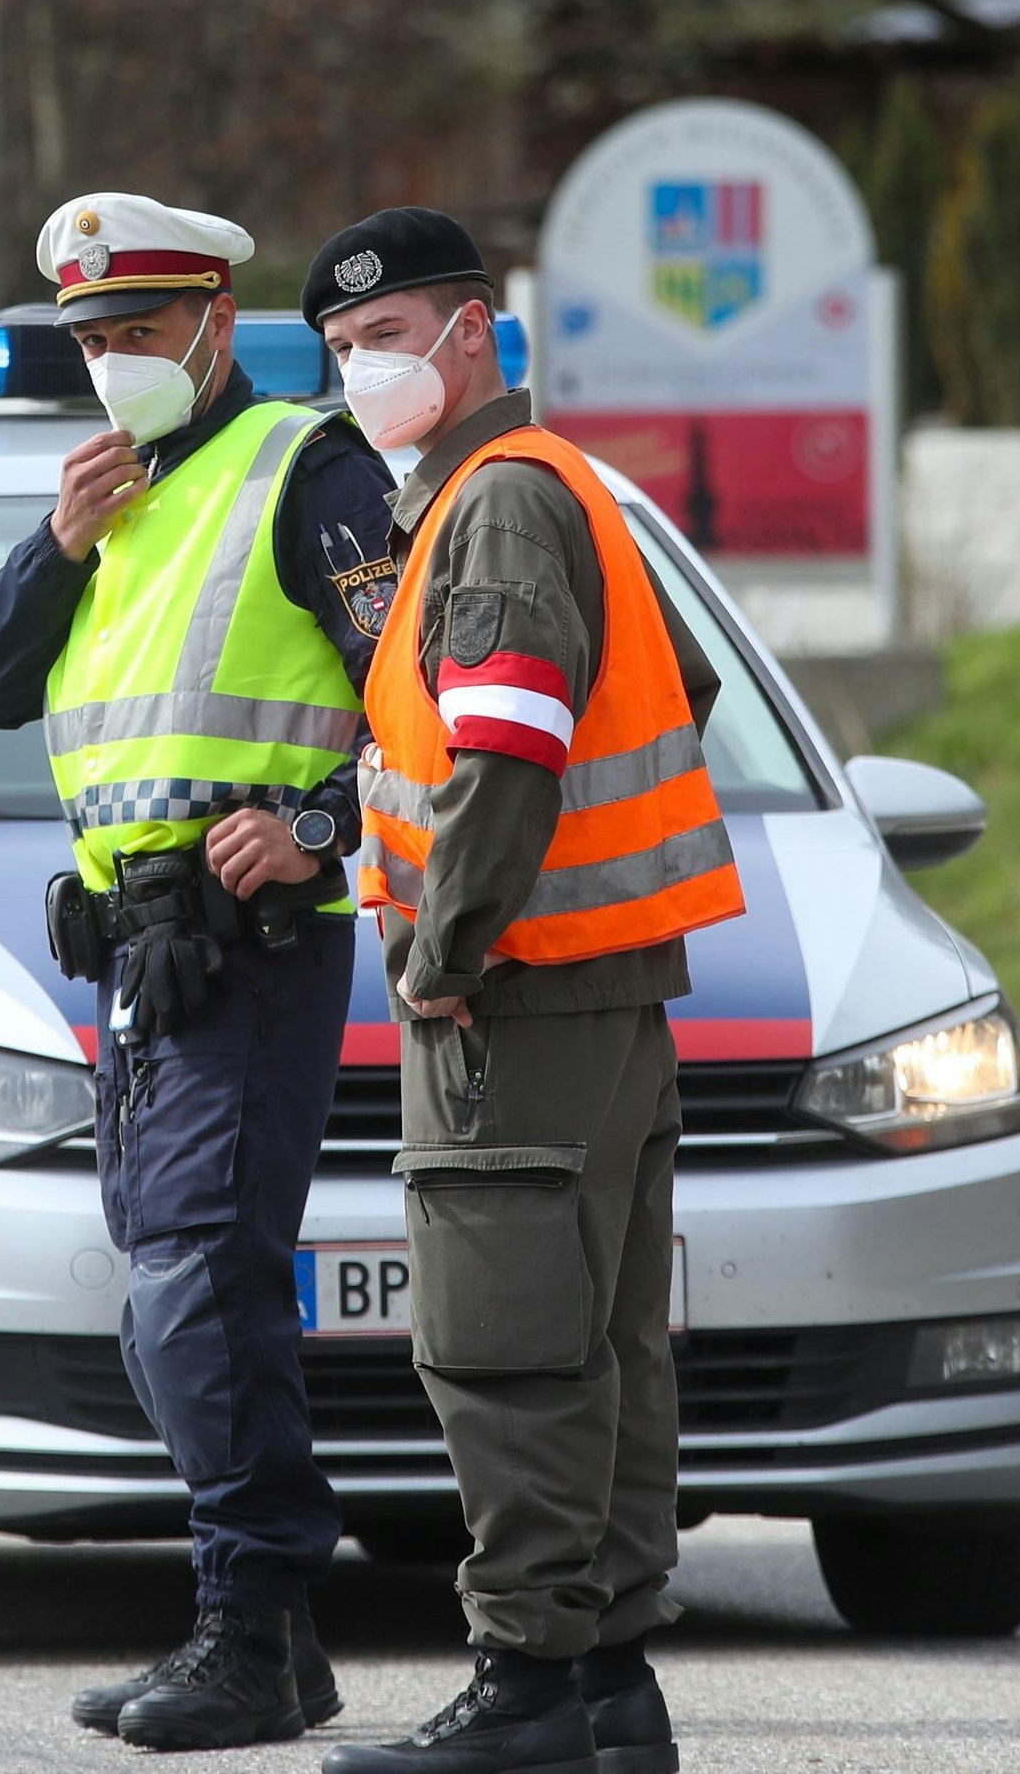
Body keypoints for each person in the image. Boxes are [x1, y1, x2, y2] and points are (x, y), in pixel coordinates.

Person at [0, 191, 401, 1753]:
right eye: (90, 340)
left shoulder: (307, 470)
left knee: (202, 1288)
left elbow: (418, 684)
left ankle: (255, 1627)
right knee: (167, 1308)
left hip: (256, 950)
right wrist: (55, 540)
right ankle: (264, 1630)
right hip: (140, 973)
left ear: (216, 321)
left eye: (137, 331)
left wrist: (323, 828)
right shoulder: (116, 505)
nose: (111, 361)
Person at [308, 207, 739, 1774]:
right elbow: (677, 683)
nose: (365, 369)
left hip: (513, 991)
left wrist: (447, 953)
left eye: (391, 336)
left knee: (500, 1350)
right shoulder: (562, 485)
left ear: (475, 333)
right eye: (344, 350)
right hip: (612, 988)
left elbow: (504, 748)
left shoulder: (487, 508)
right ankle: (614, 1687)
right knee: (609, 1346)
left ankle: (528, 1690)